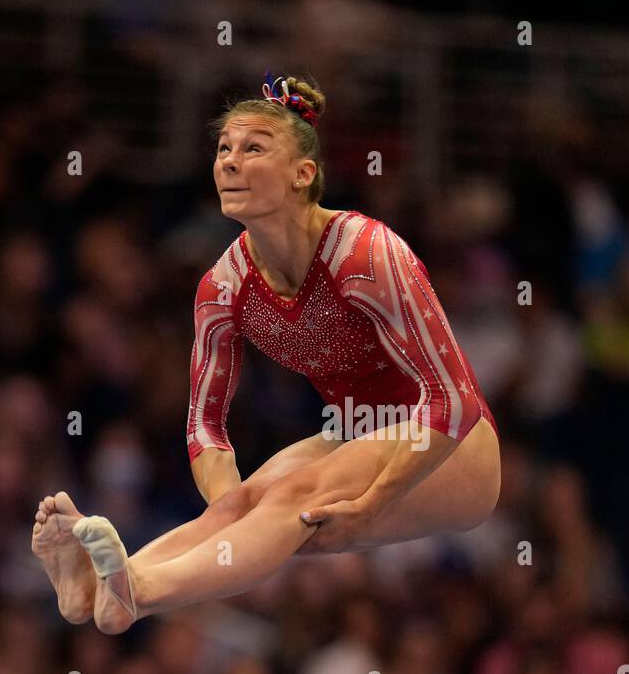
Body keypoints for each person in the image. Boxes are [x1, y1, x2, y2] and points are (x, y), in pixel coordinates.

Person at [32, 73, 500, 634]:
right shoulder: (224, 287)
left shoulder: (367, 256)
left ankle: (138, 589)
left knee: (295, 493)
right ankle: (95, 588)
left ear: (303, 174)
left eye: (253, 148)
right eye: (224, 148)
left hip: (455, 447)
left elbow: (454, 398)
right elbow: (205, 427)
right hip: (356, 432)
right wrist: (231, 517)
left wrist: (374, 502)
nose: (230, 161)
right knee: (249, 500)